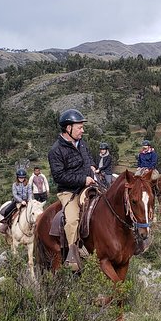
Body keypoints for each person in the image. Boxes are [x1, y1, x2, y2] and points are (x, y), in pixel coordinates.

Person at [48, 108, 97, 271]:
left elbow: (88, 158)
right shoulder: (55, 150)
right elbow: (59, 176)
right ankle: (73, 255)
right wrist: (83, 179)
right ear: (68, 128)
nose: (82, 130)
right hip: (69, 192)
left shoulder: (82, 143)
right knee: (72, 220)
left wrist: (92, 166)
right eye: (79, 127)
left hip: (89, 185)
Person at [0, 169, 33, 234]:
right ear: (17, 177)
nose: (21, 179)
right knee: (7, 211)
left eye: (23, 178)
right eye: (20, 177)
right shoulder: (14, 185)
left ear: (25, 177)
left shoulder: (28, 184)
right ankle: (6, 224)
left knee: (34, 212)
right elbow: (15, 194)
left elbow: (30, 193)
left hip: (27, 201)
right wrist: (21, 201)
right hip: (17, 202)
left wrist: (29, 200)